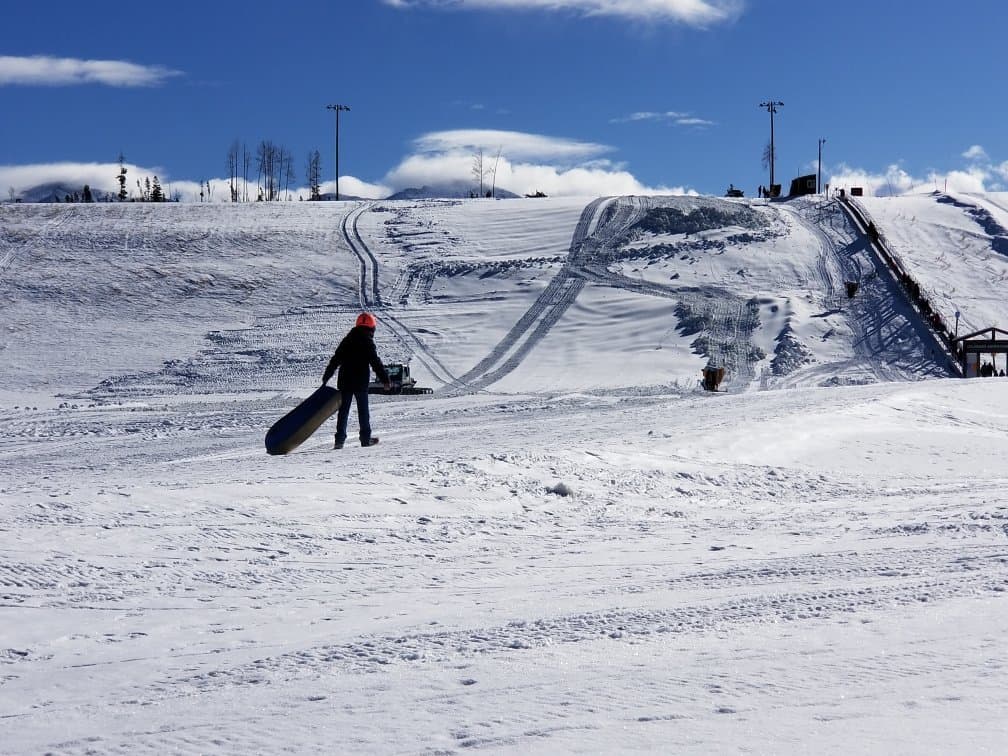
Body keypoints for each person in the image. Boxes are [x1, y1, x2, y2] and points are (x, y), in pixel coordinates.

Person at [322, 312, 390, 449]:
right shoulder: (368, 342)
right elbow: (375, 362)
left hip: (345, 382)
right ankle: (365, 440)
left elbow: (335, 359)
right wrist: (385, 380)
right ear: (372, 327)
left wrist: (326, 376)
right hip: (360, 382)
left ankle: (339, 441)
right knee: (363, 411)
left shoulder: (347, 340)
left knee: (344, 411)